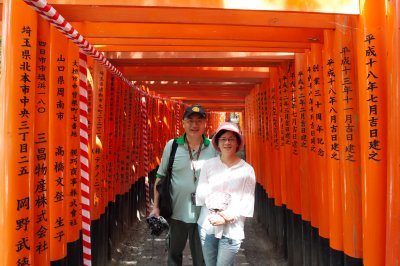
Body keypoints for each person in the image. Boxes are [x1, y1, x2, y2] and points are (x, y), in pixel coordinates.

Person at [152, 104, 217, 266]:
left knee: (202, 259)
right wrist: (156, 207)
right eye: (190, 120)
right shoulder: (172, 146)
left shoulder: (213, 148)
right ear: (183, 123)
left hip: (204, 214)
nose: (195, 125)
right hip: (176, 213)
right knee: (173, 255)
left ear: (205, 124)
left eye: (199, 121)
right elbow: (160, 177)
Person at [195, 122, 256, 266]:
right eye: (223, 139)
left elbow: (246, 202)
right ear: (217, 142)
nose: (227, 142)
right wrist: (222, 214)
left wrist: (228, 218)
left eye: (231, 139)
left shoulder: (247, 170)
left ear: (237, 143)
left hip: (232, 230)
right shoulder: (208, 165)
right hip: (207, 226)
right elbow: (202, 193)